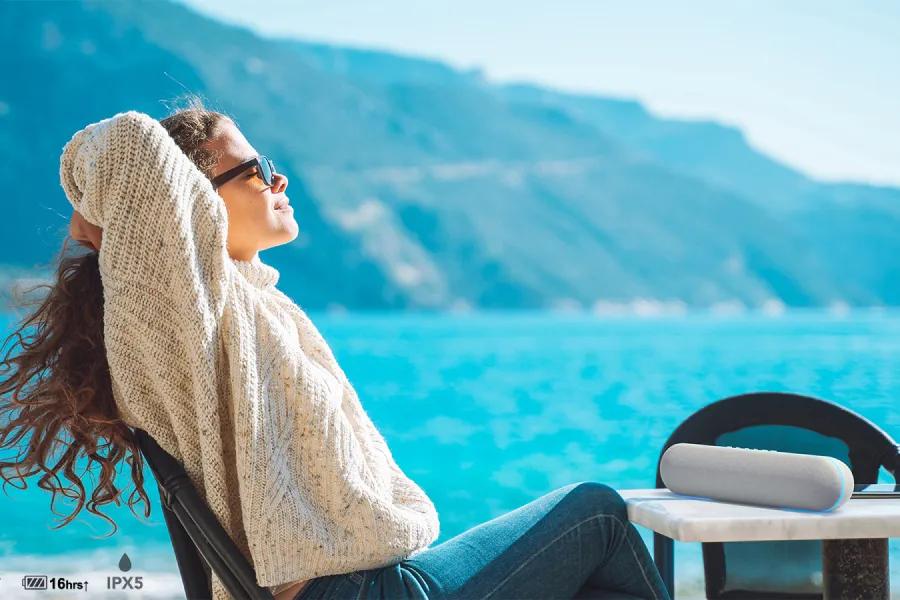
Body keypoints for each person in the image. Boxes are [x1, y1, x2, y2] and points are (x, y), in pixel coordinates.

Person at [0, 96, 670, 600]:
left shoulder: (249, 308)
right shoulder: (191, 319)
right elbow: (129, 143)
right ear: (189, 205)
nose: (277, 181)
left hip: (362, 583)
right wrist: (97, 206)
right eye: (256, 170)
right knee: (599, 514)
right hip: (352, 594)